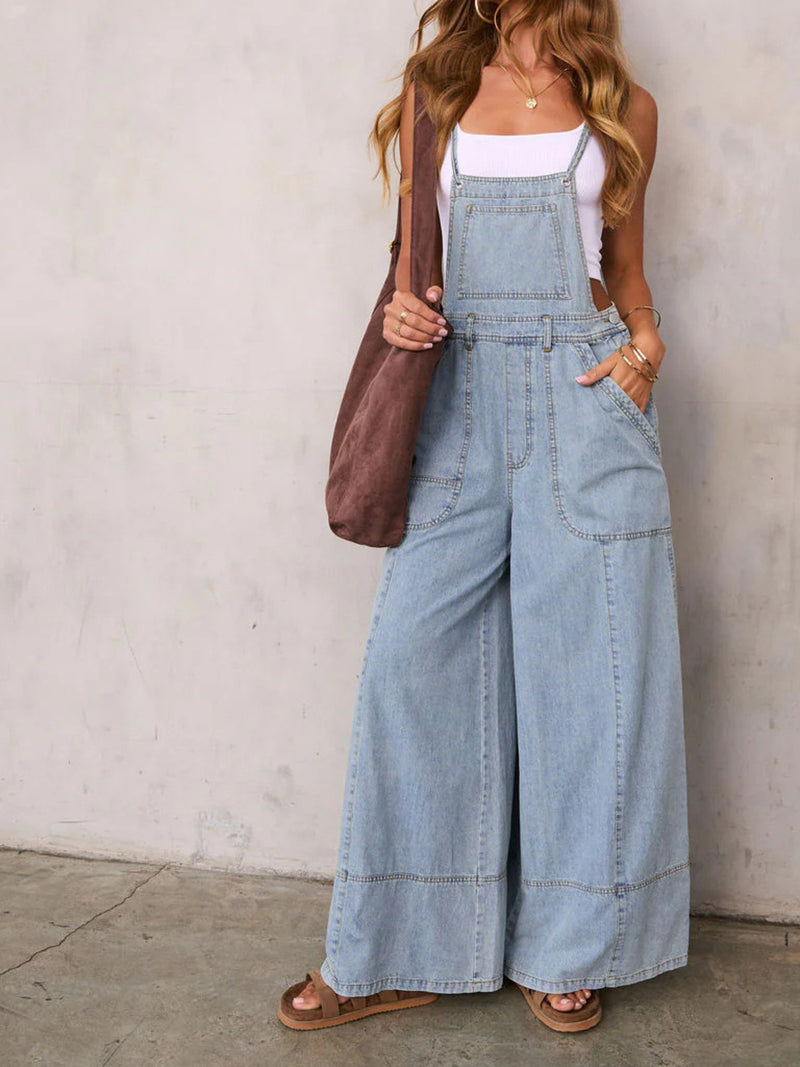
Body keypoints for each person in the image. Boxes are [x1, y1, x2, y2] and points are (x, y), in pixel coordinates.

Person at [279, 0, 689, 1035]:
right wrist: (400, 309)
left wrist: (643, 349)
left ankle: (569, 946)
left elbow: (628, 277)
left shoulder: (621, 104)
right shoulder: (435, 93)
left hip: (584, 400)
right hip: (454, 403)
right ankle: (392, 945)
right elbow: (413, 266)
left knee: (590, 676)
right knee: (411, 666)